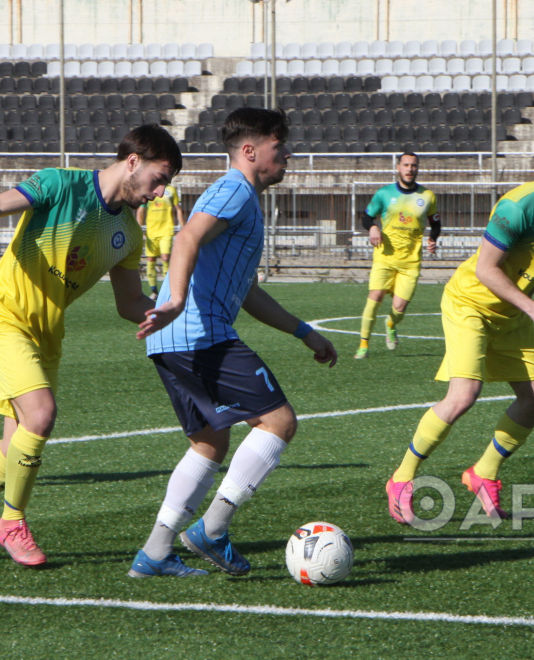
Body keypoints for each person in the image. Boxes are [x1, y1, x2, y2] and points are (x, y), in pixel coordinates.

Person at [0, 125, 181, 566]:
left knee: (14, 446)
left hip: (46, 332)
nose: (159, 193)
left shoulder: (128, 236)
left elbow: (130, 303)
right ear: (133, 162)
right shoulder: (62, 183)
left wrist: (173, 311)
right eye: (159, 179)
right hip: (3, 317)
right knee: (40, 416)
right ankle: (11, 522)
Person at [131, 108, 338, 578]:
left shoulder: (240, 197)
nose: (287, 153)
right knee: (279, 422)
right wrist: (178, 299)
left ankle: (155, 552)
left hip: (172, 339)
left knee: (209, 442)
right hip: (198, 334)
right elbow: (186, 240)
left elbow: (246, 291)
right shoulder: (233, 190)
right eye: (278, 145)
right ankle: (213, 529)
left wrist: (304, 332)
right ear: (250, 151)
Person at [386, 130, 534, 523]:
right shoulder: (517, 205)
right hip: (470, 303)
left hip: (513, 312)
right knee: (464, 394)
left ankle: (482, 472)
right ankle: (401, 478)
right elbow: (486, 268)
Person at [355, 153, 441, 359]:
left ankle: (391, 324)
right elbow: (366, 217)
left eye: (413, 165)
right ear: (398, 167)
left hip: (410, 262)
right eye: (406, 165)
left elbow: (435, 223)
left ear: (417, 168)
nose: (410, 169)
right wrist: (373, 227)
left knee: (399, 307)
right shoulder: (384, 194)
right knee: (374, 297)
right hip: (384, 257)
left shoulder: (427, 196)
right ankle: (363, 344)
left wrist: (433, 238)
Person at [137, 184, 185, 299]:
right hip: (151, 231)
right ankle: (154, 291)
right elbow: (141, 210)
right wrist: (139, 227)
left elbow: (177, 209)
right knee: (150, 259)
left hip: (166, 230)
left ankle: (167, 289)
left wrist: (183, 227)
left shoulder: (171, 190)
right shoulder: (149, 188)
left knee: (165, 258)